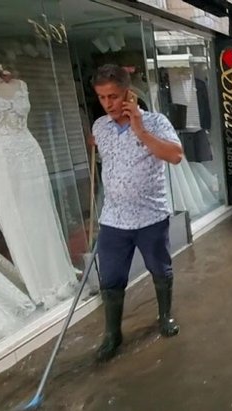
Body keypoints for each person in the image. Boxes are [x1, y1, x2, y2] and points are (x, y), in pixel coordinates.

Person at [90, 64, 184, 362]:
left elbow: (175, 156)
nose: (108, 104)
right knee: (112, 279)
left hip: (150, 216)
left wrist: (139, 129)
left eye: (114, 96)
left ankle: (165, 315)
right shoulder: (99, 127)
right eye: (102, 97)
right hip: (113, 219)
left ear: (129, 94)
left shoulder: (156, 122)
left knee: (160, 269)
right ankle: (112, 333)